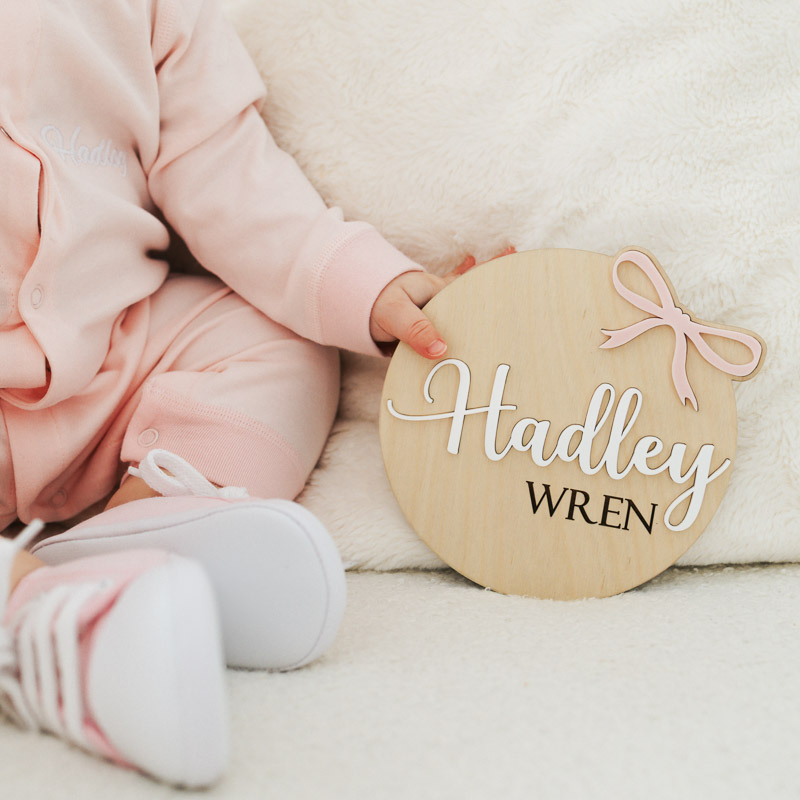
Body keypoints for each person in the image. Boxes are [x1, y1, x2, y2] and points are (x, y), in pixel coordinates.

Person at [0, 0, 511, 788]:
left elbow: (227, 176)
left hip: (111, 352)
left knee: (283, 346)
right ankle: (46, 627)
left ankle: (141, 536)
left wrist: (370, 288)